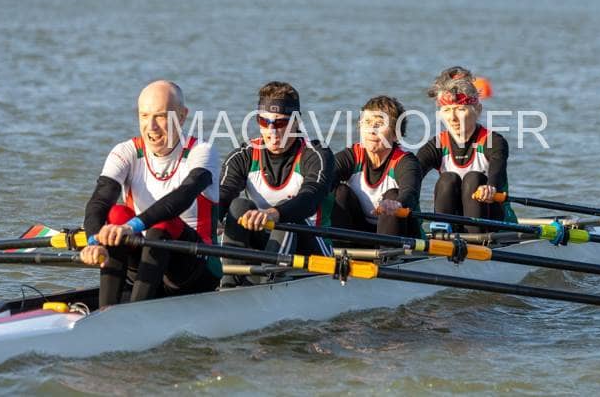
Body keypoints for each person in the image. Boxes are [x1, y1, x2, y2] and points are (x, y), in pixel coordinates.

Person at [80, 80, 222, 307]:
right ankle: (107, 309)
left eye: (160, 116)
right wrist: (93, 240)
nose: (151, 127)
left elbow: (182, 197)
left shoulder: (202, 151)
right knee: (116, 216)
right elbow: (101, 199)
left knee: (162, 225)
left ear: (182, 116)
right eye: (144, 116)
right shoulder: (125, 152)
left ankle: (136, 314)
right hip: (143, 264)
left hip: (195, 269)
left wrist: (132, 227)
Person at [219, 81, 334, 286]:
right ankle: (229, 283)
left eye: (280, 123)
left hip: (311, 250)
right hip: (265, 244)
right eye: (264, 122)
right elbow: (223, 195)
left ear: (296, 122)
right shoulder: (243, 156)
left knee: (288, 217)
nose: (272, 130)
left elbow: (310, 197)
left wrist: (274, 213)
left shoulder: (316, 154)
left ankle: (266, 284)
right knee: (238, 207)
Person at [416, 67, 517, 232]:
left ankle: (476, 239)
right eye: (446, 111)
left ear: (478, 110)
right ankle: (442, 233)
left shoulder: (494, 142)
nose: (452, 118)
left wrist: (490, 186)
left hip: (493, 221)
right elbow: (412, 175)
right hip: (452, 225)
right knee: (447, 180)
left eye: (460, 110)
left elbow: (496, 173)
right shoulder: (435, 146)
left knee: (473, 179)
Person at [331, 96, 422, 240]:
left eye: (379, 124)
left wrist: (397, 203)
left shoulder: (406, 162)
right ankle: (340, 246)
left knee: (393, 195)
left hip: (400, 234)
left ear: (396, 135)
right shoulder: (351, 156)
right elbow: (324, 178)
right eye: (367, 122)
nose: (372, 130)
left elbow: (410, 192)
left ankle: (387, 251)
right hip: (359, 230)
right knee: (338, 191)